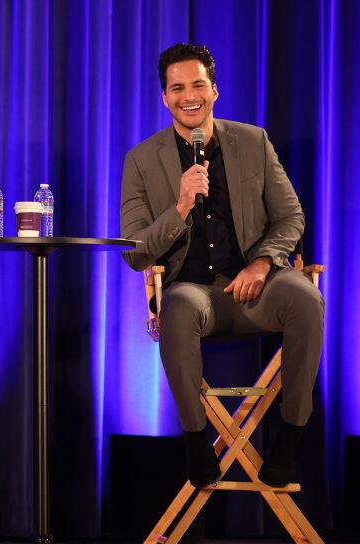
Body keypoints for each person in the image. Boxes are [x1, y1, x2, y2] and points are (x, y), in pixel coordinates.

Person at [120, 43, 324, 488]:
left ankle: (289, 439)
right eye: (177, 88)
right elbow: (136, 252)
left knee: (307, 298)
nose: (188, 95)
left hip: (259, 286)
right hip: (194, 293)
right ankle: (197, 441)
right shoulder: (141, 160)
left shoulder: (253, 141)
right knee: (176, 308)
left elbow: (291, 216)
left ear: (215, 91)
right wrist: (179, 206)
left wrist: (264, 263)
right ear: (164, 98)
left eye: (197, 85)